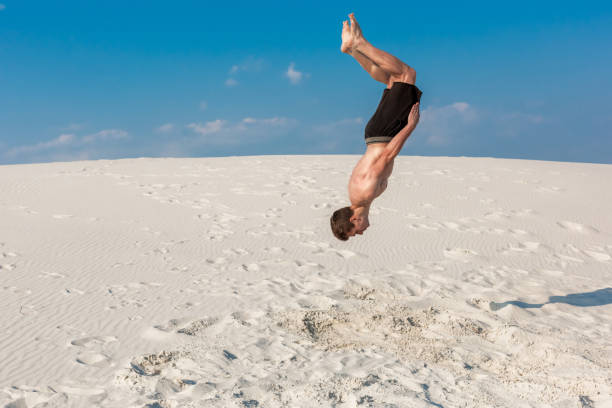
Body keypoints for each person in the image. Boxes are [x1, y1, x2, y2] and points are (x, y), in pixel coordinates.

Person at [330, 13, 422, 240]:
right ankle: (352, 50)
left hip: (385, 134)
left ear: (354, 219)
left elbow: (388, 155)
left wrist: (410, 126)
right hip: (376, 133)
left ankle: (359, 44)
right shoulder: (357, 196)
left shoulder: (365, 192)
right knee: (391, 80)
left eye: (355, 232)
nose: (360, 233)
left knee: (406, 74)